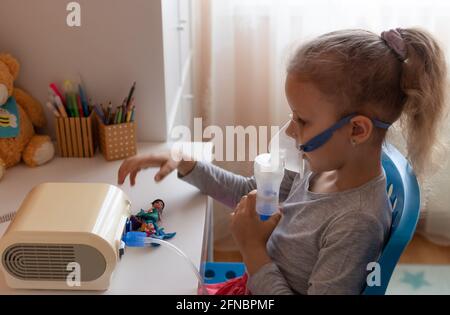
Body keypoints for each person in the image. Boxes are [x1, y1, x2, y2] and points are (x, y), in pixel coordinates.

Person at [118, 28, 448, 294]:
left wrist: (252, 249)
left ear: (357, 130)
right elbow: (250, 193)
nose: (291, 130)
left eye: (303, 120)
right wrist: (186, 164)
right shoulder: (319, 169)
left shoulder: (357, 222)